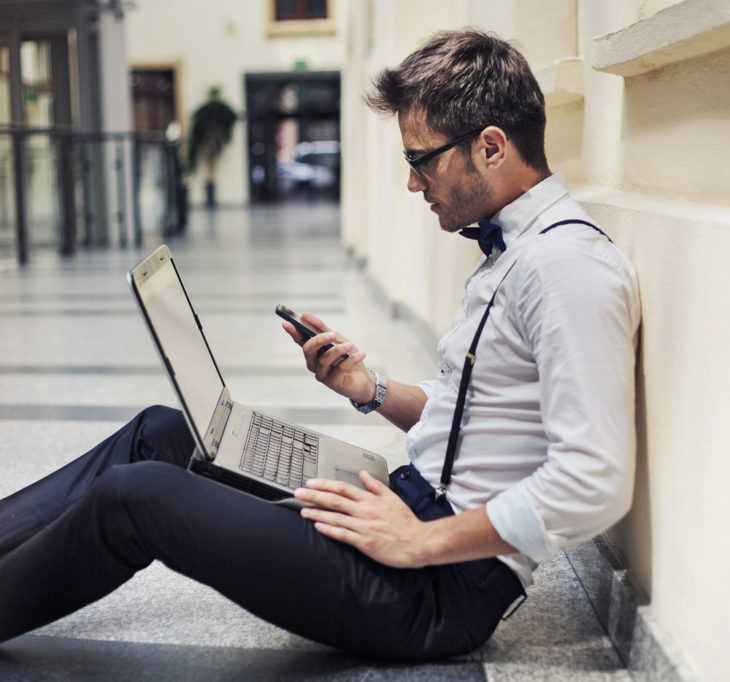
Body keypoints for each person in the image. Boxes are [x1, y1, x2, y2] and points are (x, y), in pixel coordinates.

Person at [0, 30, 640, 661]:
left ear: (492, 147)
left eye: (421, 159)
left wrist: (417, 542)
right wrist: (370, 389)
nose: (415, 184)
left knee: (134, 497)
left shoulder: (566, 269)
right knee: (160, 434)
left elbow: (596, 481)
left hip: (435, 585)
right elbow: (475, 412)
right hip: (402, 504)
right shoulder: (517, 251)